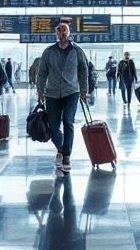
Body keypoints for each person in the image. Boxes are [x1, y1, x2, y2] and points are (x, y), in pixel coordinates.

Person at [35, 22, 88, 173]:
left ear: (69, 32)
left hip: (71, 92)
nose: (62, 34)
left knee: (68, 122)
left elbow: (83, 70)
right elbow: (42, 72)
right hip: (51, 93)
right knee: (53, 126)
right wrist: (40, 91)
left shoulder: (77, 50)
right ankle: (61, 147)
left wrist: (84, 90)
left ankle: (66, 156)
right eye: (59, 31)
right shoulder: (49, 51)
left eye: (64, 31)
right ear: (56, 34)